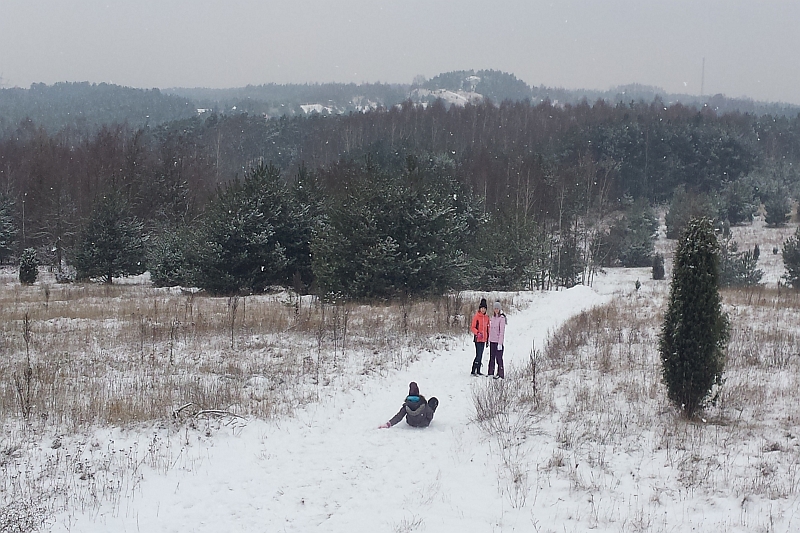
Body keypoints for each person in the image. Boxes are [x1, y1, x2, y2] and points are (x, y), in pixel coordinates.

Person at [469, 298, 490, 375]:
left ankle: (478, 370)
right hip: (477, 339)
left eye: (484, 308)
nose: (483, 310)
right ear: (480, 308)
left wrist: (488, 339)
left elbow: (488, 328)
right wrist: (477, 333)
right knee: (478, 354)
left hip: (484, 339)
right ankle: (473, 369)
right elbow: (473, 327)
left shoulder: (487, 317)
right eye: (482, 308)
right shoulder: (476, 317)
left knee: (481, 355)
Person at [488, 301, 507, 379]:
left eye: (497, 308)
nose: (496, 310)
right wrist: (489, 340)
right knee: (491, 357)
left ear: (499, 309)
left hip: (498, 342)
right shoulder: (492, 318)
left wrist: (500, 343)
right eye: (495, 308)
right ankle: (490, 373)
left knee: (498, 358)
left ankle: (500, 374)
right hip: (492, 341)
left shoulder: (501, 318)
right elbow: (490, 329)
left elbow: (502, 332)